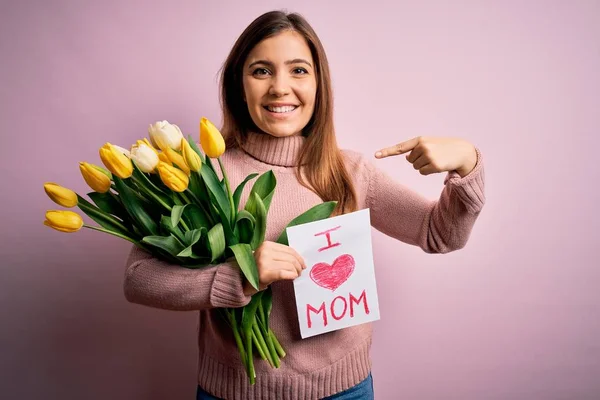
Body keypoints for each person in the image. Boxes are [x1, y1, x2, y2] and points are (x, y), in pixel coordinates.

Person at [123, 10, 485, 400]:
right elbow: (139, 278)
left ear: (319, 85)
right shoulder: (203, 174)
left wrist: (468, 164)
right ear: (238, 86)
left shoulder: (350, 171)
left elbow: (440, 234)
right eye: (261, 71)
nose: (280, 87)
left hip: (344, 389)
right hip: (233, 392)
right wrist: (239, 277)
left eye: (298, 71)